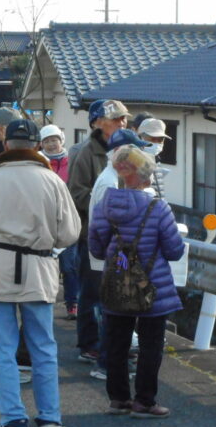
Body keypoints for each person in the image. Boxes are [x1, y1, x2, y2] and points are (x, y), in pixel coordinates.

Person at [0, 118, 81, 427]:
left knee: (3, 347)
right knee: (43, 346)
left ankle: (12, 419)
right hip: (39, 268)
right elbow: (70, 232)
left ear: (6, 144)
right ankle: (50, 416)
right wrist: (46, 243)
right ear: (37, 145)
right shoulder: (52, 181)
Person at [90, 145, 184, 419]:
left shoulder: (103, 205)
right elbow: (175, 250)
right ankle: (145, 401)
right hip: (151, 289)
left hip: (116, 284)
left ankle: (118, 399)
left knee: (116, 344)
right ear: (146, 177)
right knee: (150, 345)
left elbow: (96, 249)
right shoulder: (158, 207)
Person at [67, 99, 130, 364]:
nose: (122, 123)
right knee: (91, 293)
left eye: (123, 118)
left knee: (115, 294)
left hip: (121, 236)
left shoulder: (127, 149)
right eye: (116, 119)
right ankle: (89, 343)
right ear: (96, 123)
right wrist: (105, 203)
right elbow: (76, 193)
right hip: (92, 235)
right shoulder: (86, 152)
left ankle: (109, 343)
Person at [86, 127, 148, 381]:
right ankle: (106, 363)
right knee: (111, 314)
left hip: (114, 257)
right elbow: (105, 226)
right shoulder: (110, 182)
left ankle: (112, 361)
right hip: (111, 258)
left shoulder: (115, 177)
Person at [40, 124, 79, 320]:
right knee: (47, 266)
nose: (51, 144)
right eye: (46, 141)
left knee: (69, 266)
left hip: (67, 219)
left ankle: (72, 304)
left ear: (61, 140)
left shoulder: (71, 161)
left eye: (54, 140)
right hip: (45, 222)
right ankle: (46, 301)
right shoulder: (39, 162)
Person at [136, 117, 171, 200]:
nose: (156, 143)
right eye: (152, 139)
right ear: (140, 138)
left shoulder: (156, 160)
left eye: (160, 140)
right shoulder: (133, 163)